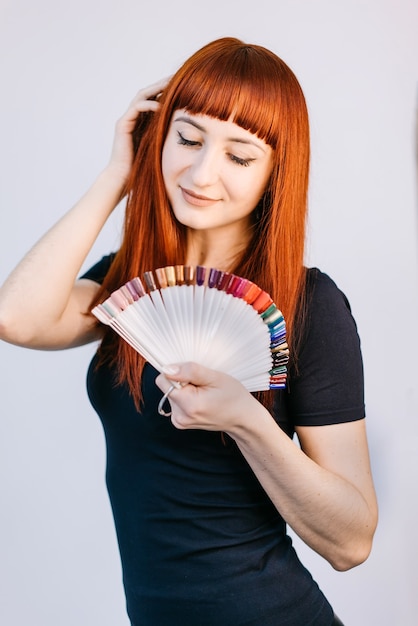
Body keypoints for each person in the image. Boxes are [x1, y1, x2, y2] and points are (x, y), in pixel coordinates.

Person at [0, 37, 377, 625]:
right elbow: (16, 318)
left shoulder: (311, 307)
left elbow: (351, 542)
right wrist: (115, 176)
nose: (202, 172)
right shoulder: (132, 285)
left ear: (276, 172)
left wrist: (248, 421)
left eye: (240, 156)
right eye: (189, 138)